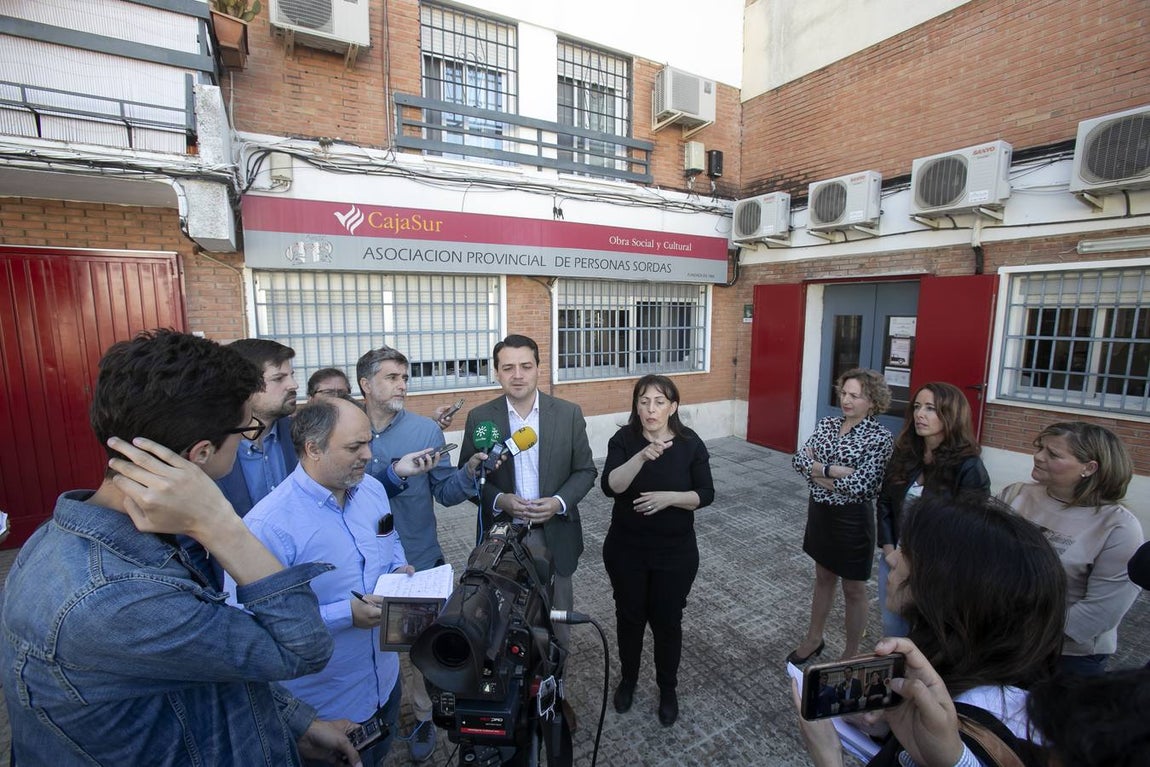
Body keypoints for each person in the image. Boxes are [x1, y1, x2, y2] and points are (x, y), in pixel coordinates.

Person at [0, 330, 359, 766]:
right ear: (202, 452)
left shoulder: (100, 536)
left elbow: (201, 666)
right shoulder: (115, 598)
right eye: (245, 428)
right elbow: (305, 647)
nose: (250, 437)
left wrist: (296, 722)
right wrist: (221, 524)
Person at [796, 493, 1067, 767]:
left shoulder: (973, 729)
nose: (892, 560)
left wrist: (827, 755)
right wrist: (887, 730)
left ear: (945, 589)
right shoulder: (946, 677)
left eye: (910, 554)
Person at [225, 396, 413, 767]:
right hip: (324, 713)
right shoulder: (268, 526)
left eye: (369, 441)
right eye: (354, 446)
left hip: (385, 687)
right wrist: (347, 615)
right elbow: (245, 627)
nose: (368, 454)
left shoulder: (372, 490)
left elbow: (391, 545)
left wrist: (399, 572)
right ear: (313, 449)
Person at [356, 345, 493, 761]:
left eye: (405, 377)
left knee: (418, 655)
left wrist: (468, 475)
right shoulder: (342, 429)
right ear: (365, 384)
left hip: (417, 563)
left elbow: (446, 493)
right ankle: (366, 718)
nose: (402, 384)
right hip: (358, 569)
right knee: (366, 654)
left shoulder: (425, 431)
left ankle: (419, 718)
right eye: (392, 377)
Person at [457, 334, 597, 656]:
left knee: (558, 621)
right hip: (504, 536)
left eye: (525, 366)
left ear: (538, 369)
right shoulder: (481, 418)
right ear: (496, 373)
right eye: (508, 368)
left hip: (556, 534)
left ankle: (556, 685)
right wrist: (499, 500)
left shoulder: (567, 414)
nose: (517, 375)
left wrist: (558, 502)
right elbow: (469, 477)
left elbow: (586, 471)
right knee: (504, 620)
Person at [601, 375, 714, 727]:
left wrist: (671, 499)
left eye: (659, 402)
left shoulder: (689, 443)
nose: (651, 409)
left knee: (667, 623)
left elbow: (705, 494)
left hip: (675, 554)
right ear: (636, 405)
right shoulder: (623, 439)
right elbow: (611, 486)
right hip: (627, 550)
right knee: (630, 618)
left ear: (673, 407)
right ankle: (629, 680)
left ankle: (668, 688)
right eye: (644, 401)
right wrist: (641, 457)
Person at [998, 421, 1143, 676]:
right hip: (997, 640)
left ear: (1089, 468)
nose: (1038, 457)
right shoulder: (1015, 495)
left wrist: (1020, 633)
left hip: (1065, 658)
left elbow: (1099, 613)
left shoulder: (1119, 527)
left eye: (1052, 454)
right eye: (1040, 448)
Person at [789, 368, 894, 663]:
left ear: (872, 401)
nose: (846, 400)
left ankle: (850, 653)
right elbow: (798, 461)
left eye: (854, 396)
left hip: (852, 520)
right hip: (820, 512)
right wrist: (831, 472)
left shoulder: (880, 438)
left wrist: (816, 469)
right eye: (843, 393)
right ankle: (814, 638)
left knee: (854, 588)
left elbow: (862, 486)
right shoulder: (827, 423)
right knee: (822, 577)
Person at [875, 382, 989, 636]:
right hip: (894, 560)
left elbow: (970, 528)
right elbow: (885, 503)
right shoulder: (905, 453)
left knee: (927, 633)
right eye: (917, 407)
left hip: (934, 568)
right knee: (893, 627)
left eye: (930, 408)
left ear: (951, 414)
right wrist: (890, 550)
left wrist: (920, 560)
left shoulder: (968, 467)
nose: (919, 415)